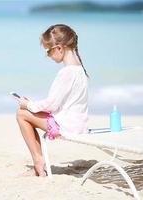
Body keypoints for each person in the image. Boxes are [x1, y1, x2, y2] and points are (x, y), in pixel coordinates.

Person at [16, 24, 89, 177]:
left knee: (21, 113)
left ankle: (38, 162)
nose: (47, 55)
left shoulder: (66, 73)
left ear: (60, 48)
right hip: (79, 124)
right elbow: (60, 104)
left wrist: (28, 104)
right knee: (27, 110)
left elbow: (51, 105)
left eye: (48, 51)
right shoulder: (80, 70)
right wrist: (33, 106)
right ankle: (39, 161)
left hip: (66, 126)